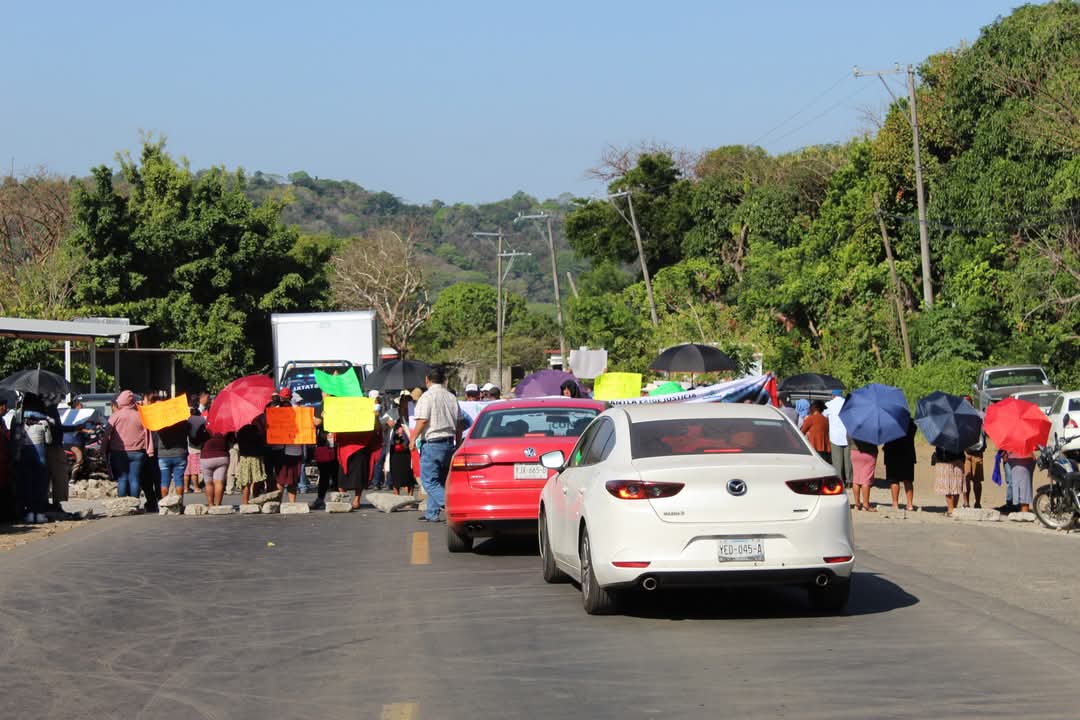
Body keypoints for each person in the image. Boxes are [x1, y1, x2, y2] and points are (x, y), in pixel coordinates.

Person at [411, 366, 462, 522]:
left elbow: (422, 420)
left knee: (429, 481)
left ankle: (452, 507)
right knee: (440, 480)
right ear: (444, 380)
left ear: (427, 380)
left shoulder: (427, 397)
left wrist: (413, 439)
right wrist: (458, 442)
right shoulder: (451, 397)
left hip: (433, 443)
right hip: (449, 443)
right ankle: (432, 513)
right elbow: (459, 423)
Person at [11, 393, 55, 523]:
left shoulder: (18, 418)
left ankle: (30, 513)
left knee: (27, 484)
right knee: (41, 485)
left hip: (24, 454)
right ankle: (40, 513)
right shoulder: (44, 420)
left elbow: (15, 437)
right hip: (40, 455)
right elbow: (49, 440)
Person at [104, 390, 148, 499]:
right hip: (138, 452)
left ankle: (123, 503)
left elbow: (106, 435)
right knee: (135, 478)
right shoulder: (140, 415)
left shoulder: (116, 416)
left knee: (122, 478)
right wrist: (149, 449)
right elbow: (148, 434)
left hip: (119, 452)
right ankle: (135, 503)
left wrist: (103, 449)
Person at [153, 415, 190, 500]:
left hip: (164, 455)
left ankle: (164, 504)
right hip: (180, 453)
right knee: (179, 479)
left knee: (164, 481)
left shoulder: (161, 423)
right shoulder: (183, 422)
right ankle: (179, 503)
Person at [884, 419, 917, 511]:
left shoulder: (889, 422)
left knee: (894, 479)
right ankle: (909, 504)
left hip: (892, 453)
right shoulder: (911, 423)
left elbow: (885, 436)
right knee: (908, 480)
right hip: (908, 453)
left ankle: (895, 504)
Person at [823, 391, 852, 487]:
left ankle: (840, 481)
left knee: (837, 461)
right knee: (848, 460)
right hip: (847, 435)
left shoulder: (828, 405)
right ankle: (849, 480)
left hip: (835, 436)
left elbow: (824, 416)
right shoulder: (847, 403)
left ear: (833, 395)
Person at [389, 394, 416, 496]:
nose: (407, 405)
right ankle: (396, 494)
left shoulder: (413, 415)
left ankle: (410, 496)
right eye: (404, 402)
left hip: (409, 446)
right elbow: (382, 423)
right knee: (395, 471)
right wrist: (388, 423)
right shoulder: (393, 412)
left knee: (409, 471)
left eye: (409, 403)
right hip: (395, 447)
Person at [235, 421, 266, 504]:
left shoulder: (240, 430)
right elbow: (262, 442)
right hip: (256, 457)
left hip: (244, 457)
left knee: (246, 481)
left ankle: (245, 502)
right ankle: (255, 500)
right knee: (257, 480)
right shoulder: (256, 430)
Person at [311, 413, 337, 510]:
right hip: (324, 446)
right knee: (324, 475)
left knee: (337, 474)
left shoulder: (341, 405)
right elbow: (315, 422)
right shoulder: (321, 407)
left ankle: (337, 499)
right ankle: (320, 499)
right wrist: (321, 418)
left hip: (337, 444)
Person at [932, 446, 966, 517]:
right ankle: (954, 509)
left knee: (947, 486)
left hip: (945, 460)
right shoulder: (960, 436)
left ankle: (951, 510)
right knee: (957, 485)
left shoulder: (941, 436)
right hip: (958, 458)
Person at [199, 430, 230, 507]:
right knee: (219, 482)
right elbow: (230, 442)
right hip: (222, 456)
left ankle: (210, 505)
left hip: (206, 457)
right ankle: (217, 505)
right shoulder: (226, 428)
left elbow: (198, 441)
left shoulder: (206, 428)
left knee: (208, 483)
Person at [850, 437, 878, 511]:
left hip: (854, 451)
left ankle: (857, 504)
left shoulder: (853, 426)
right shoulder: (873, 426)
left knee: (856, 479)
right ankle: (865, 505)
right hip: (869, 452)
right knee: (866, 479)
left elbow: (848, 439)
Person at [184, 402, 207, 494]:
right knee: (194, 470)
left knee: (187, 470)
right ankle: (196, 487)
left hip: (186, 448)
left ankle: (185, 488)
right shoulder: (201, 420)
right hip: (196, 448)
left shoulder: (187, 420)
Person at [963, 435, 985, 509]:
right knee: (966, 479)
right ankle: (966, 503)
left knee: (977, 480)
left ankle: (978, 503)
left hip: (978, 453)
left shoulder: (982, 423)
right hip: (966, 453)